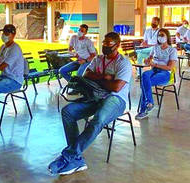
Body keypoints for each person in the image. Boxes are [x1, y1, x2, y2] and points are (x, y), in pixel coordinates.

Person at [48, 32, 132, 175]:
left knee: (98, 119)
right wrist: (106, 78)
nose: (105, 45)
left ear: (117, 45)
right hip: (96, 97)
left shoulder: (123, 63)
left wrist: (99, 79)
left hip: (116, 99)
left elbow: (116, 87)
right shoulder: (98, 59)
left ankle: (68, 156)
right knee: (68, 112)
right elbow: (86, 75)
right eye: (104, 42)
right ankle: (76, 160)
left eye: (109, 43)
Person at [136, 28, 178, 120]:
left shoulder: (172, 50)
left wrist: (155, 64)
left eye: (162, 35)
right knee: (144, 75)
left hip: (165, 73)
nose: (160, 37)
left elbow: (169, 67)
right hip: (154, 70)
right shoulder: (155, 47)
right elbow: (149, 58)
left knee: (145, 83)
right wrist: (147, 61)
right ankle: (150, 102)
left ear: (167, 37)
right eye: (159, 35)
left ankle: (143, 110)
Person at [59, 24, 96, 92]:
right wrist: (74, 54)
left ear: (85, 33)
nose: (79, 32)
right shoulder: (73, 38)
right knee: (62, 70)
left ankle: (77, 88)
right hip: (78, 60)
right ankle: (76, 86)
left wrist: (85, 60)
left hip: (87, 61)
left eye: (82, 31)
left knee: (78, 75)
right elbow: (69, 50)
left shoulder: (88, 41)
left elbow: (94, 55)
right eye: (79, 30)